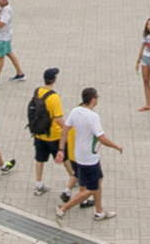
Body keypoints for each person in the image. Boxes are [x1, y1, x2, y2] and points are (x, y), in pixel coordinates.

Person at [56, 87, 124, 221]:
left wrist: (61, 149)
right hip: (89, 158)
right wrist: (116, 146)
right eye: (97, 97)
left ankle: (99, 212)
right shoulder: (93, 117)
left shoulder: (76, 111)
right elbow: (101, 138)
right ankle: (63, 209)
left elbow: (64, 130)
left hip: (78, 155)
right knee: (91, 189)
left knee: (98, 180)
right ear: (93, 100)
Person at [29, 68, 70, 196]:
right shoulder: (54, 97)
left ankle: (39, 184)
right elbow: (58, 118)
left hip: (39, 133)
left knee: (39, 159)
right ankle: (75, 177)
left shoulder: (38, 91)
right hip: (53, 135)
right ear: (54, 80)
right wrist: (68, 129)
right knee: (65, 157)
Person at [0, 0, 24, 82]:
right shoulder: (2, 8)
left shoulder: (6, 11)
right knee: (10, 53)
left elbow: (1, 24)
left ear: (5, 0)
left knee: (0, 57)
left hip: (3, 38)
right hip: (5, 36)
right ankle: (20, 73)